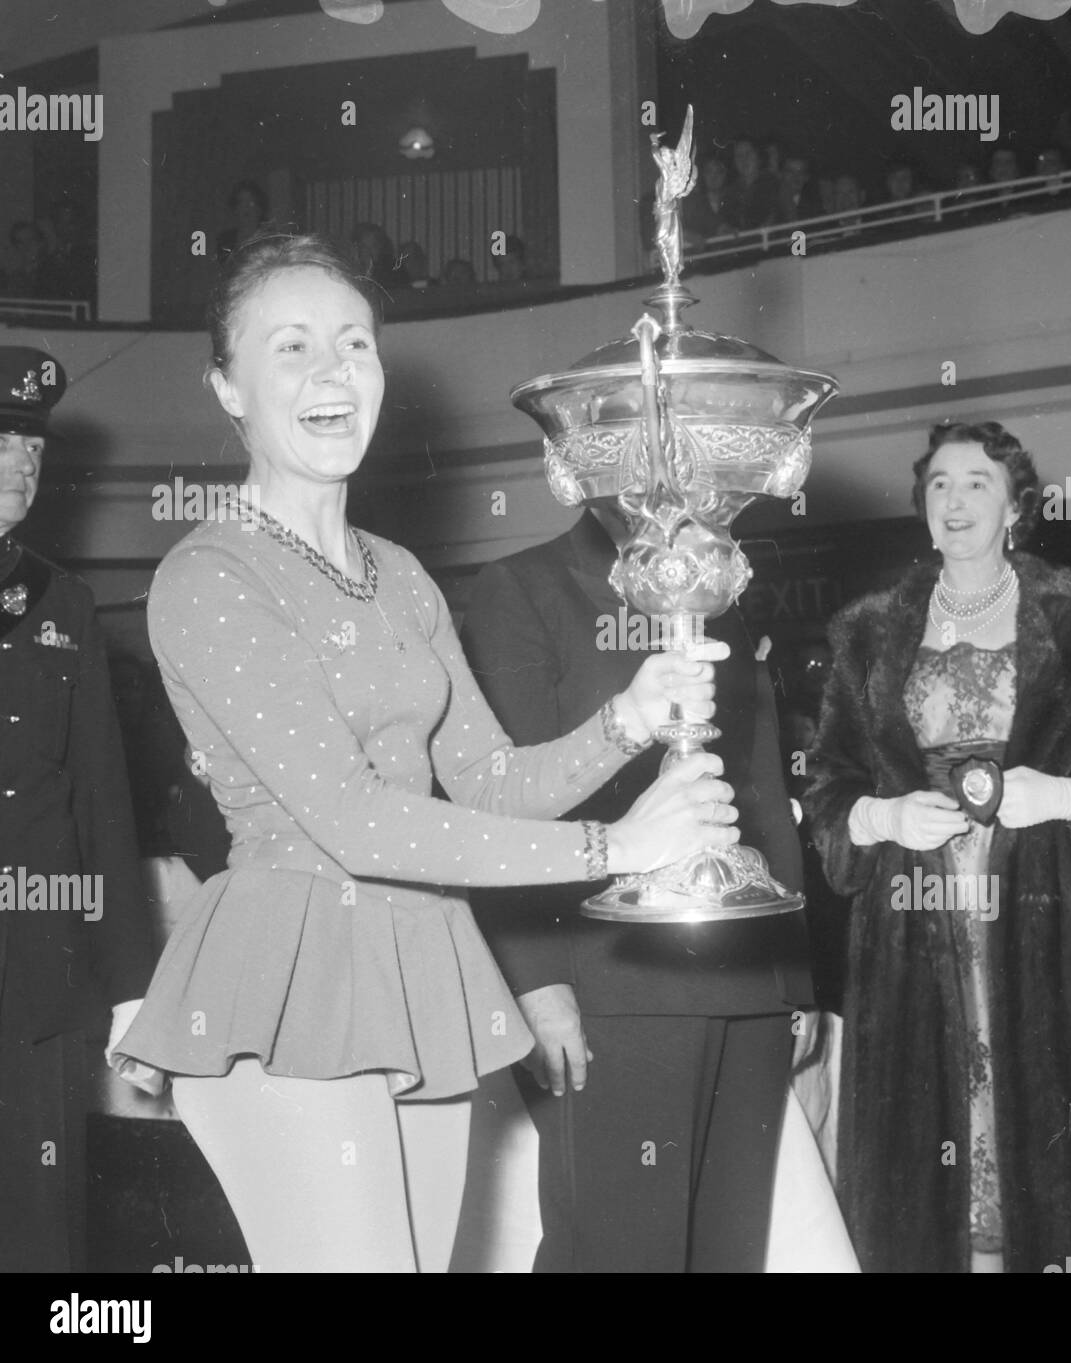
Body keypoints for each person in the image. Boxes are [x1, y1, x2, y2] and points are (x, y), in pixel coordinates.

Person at [110, 234, 741, 1273]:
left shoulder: (398, 574)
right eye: (292, 347)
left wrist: (626, 718)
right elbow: (354, 819)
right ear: (228, 388)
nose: (332, 372)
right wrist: (614, 850)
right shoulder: (208, 575)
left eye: (354, 343)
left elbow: (490, 782)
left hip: (418, 963)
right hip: (290, 975)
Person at [803, 420, 1071, 1273]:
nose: (956, 500)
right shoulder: (865, 632)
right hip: (913, 926)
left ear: (1016, 505)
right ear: (922, 507)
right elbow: (827, 785)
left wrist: (1058, 794)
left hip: (1050, 919)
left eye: (978, 483)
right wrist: (880, 819)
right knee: (929, 1159)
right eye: (940, 484)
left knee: (1054, 1156)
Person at [460, 505, 815, 1273]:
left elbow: (756, 773)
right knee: (617, 1254)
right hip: (611, 980)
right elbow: (502, 803)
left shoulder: (721, 584)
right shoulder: (524, 586)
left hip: (749, 978)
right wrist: (536, 979)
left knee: (730, 1254)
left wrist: (793, 976)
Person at [0, 346, 154, 1271]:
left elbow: (103, 798)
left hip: (40, 984)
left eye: (30, 445)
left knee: (41, 1233)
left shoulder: (65, 601)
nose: (21, 463)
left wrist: (131, 981)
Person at [722, 136, 780, 233]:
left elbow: (777, 214)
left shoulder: (773, 184)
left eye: (748, 153)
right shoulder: (730, 191)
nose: (744, 159)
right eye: (739, 155)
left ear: (758, 157)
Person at [214, 180, 269, 264]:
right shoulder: (225, 241)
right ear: (235, 209)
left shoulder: (270, 238)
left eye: (251, 202)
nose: (246, 207)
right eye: (241, 202)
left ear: (259, 208)